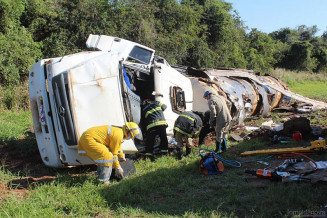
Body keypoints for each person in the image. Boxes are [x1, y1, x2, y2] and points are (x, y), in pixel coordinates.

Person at [78, 122, 142, 185]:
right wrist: (118, 168)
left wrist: (121, 156)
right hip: (89, 139)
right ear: (127, 130)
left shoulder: (120, 132)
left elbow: (117, 147)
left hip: (88, 137)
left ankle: (98, 176)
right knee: (107, 157)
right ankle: (103, 182)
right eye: (131, 135)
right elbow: (114, 154)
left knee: (104, 156)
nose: (130, 137)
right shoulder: (118, 134)